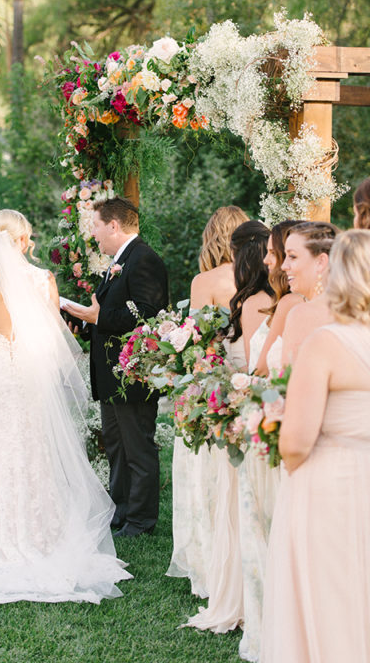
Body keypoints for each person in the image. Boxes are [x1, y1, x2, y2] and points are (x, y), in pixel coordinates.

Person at [0, 209, 131, 607]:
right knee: (33, 447)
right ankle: (40, 534)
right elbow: (53, 336)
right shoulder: (42, 279)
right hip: (29, 370)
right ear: (23, 241)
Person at [260, 229, 370, 662]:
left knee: (325, 597)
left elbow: (297, 443)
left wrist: (272, 423)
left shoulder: (326, 342)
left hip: (329, 485)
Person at [186, 220, 272, 637]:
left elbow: (245, 364)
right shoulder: (265, 299)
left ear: (240, 254)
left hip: (241, 413)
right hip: (251, 410)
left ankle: (245, 593)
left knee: (241, 511)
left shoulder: (247, 301)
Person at [65, 197, 168, 538]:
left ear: (113, 225)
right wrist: (83, 320)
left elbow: (147, 315)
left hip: (133, 375)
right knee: (117, 447)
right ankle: (120, 511)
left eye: (95, 225)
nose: (93, 234)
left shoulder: (144, 260)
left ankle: (141, 520)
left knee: (137, 447)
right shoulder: (119, 261)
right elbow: (106, 312)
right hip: (112, 375)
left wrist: (98, 317)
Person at [167, 205, 248, 598]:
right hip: (249, 378)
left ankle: (210, 555)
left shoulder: (206, 281)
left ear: (213, 237)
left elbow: (198, 343)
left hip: (214, 384)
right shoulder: (262, 278)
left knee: (207, 472)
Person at [280, 222, 339, 367]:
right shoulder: (353, 309)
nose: (283, 266)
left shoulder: (302, 314)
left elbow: (287, 384)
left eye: (292, 256)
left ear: (320, 262)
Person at [252, 220, 303, 377]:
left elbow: (261, 369)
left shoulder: (290, 302)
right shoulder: (286, 300)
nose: (265, 260)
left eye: (272, 253)